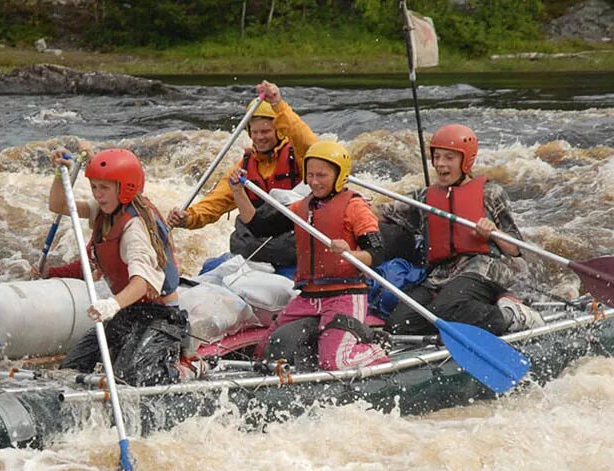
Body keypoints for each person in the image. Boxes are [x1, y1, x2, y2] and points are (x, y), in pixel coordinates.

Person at [41, 146, 189, 387]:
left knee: (128, 378)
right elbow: (59, 205)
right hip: (129, 312)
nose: (98, 195)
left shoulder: (135, 228)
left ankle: (186, 369)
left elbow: (143, 283)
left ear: (126, 187)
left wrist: (111, 304)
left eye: (104, 188)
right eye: (94, 188)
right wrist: (60, 175)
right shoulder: (104, 209)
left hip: (163, 317)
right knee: (72, 368)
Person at [377, 124, 543, 335]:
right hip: (439, 276)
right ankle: (455, 331)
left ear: (466, 161)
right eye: (437, 157)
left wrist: (494, 232)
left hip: (482, 270)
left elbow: (515, 249)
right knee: (398, 324)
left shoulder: (490, 193)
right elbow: (380, 213)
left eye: (449, 158)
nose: (440, 164)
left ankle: (510, 315)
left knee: (445, 309)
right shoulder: (423, 198)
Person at [254, 140, 390, 371]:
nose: (314, 182)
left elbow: (377, 253)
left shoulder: (355, 207)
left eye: (322, 175)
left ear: (339, 176)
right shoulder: (302, 207)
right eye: (311, 175)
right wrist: (238, 189)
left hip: (346, 294)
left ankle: (378, 348)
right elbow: (257, 226)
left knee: (334, 362)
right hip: (309, 296)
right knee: (263, 352)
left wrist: (350, 252)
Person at [166, 80, 318, 270]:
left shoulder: (301, 158)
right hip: (254, 250)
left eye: (266, 131)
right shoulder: (242, 169)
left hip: (293, 250)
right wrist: (188, 217)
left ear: (279, 131)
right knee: (209, 268)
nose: (260, 137)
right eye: (255, 132)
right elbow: (214, 203)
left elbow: (310, 143)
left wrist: (278, 105)